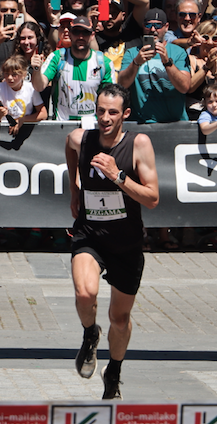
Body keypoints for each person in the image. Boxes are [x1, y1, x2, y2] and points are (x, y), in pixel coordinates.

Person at [66, 83, 159, 400]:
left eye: (113, 112)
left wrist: (118, 175)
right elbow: (69, 144)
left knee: (119, 319)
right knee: (84, 292)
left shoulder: (138, 144)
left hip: (126, 243)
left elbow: (152, 199)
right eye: (101, 111)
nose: (105, 118)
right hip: (90, 235)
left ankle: (114, 372)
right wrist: (74, 188)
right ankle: (90, 334)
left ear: (125, 114)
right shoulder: (84, 138)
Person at [33, 15, 115, 124]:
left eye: (85, 33)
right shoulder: (57, 57)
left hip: (92, 126)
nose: (80, 37)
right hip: (62, 125)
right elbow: (39, 86)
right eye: (76, 32)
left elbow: (111, 97)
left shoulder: (104, 63)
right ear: (70, 34)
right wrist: (36, 70)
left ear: (92, 35)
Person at [117, 8, 192, 123]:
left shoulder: (178, 52)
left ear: (166, 27)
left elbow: (184, 87)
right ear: (143, 26)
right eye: (148, 25)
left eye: (158, 25)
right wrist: (136, 63)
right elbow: (122, 84)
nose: (153, 29)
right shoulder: (132, 53)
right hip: (142, 123)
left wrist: (167, 62)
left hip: (174, 123)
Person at [0, 54, 46, 134]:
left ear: (24, 74)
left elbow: (43, 114)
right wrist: (0, 114)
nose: (9, 78)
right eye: (6, 74)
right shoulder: (0, 87)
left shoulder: (31, 88)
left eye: (14, 75)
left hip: (25, 130)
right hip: (4, 130)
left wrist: (23, 119)